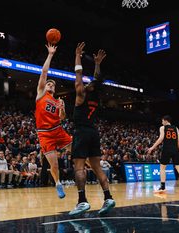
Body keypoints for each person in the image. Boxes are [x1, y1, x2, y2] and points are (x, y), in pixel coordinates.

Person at [68, 42, 115, 216]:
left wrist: (78, 55)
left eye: (90, 83)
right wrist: (97, 64)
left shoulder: (82, 93)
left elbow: (78, 73)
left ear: (90, 87)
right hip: (94, 133)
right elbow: (97, 79)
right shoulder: (96, 95)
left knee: (79, 168)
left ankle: (82, 201)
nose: (87, 83)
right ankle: (108, 197)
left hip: (81, 132)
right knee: (97, 168)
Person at [34, 43, 72, 198]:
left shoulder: (57, 101)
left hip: (57, 130)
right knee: (54, 164)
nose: (50, 85)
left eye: (52, 85)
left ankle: (95, 171)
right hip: (45, 134)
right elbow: (44, 72)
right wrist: (50, 54)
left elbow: (62, 118)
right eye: (48, 83)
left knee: (77, 150)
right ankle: (58, 184)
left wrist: (62, 109)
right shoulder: (41, 94)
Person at [148, 115, 179, 194]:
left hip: (167, 149)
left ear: (166, 121)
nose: (162, 122)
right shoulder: (176, 128)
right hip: (175, 150)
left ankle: (163, 187)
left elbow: (161, 139)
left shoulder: (162, 128)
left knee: (162, 168)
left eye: (162, 121)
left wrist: (152, 147)